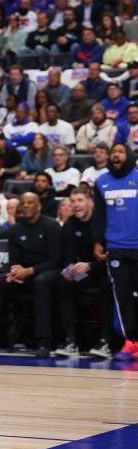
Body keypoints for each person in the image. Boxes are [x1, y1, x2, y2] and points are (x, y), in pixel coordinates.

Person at [0, 193, 62, 357]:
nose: (25, 206)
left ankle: (44, 341)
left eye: (30, 202)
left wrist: (30, 271)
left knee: (41, 282)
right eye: (22, 203)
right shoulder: (15, 230)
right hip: (23, 273)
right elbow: (14, 260)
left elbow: (56, 260)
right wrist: (15, 272)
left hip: (48, 272)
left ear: (39, 207)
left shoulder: (51, 226)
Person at [90, 143, 138, 360]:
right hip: (116, 248)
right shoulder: (101, 182)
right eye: (114, 152)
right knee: (122, 296)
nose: (116, 155)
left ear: (128, 155)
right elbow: (99, 216)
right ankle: (131, 342)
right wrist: (98, 241)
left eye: (121, 151)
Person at [54, 189, 112, 358]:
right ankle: (70, 341)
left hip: (105, 270)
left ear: (90, 202)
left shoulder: (103, 222)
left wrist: (91, 266)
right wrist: (69, 270)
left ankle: (106, 341)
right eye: (72, 201)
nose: (76, 204)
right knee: (65, 284)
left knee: (108, 285)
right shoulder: (70, 224)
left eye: (80, 200)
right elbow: (69, 256)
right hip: (84, 272)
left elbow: (113, 257)